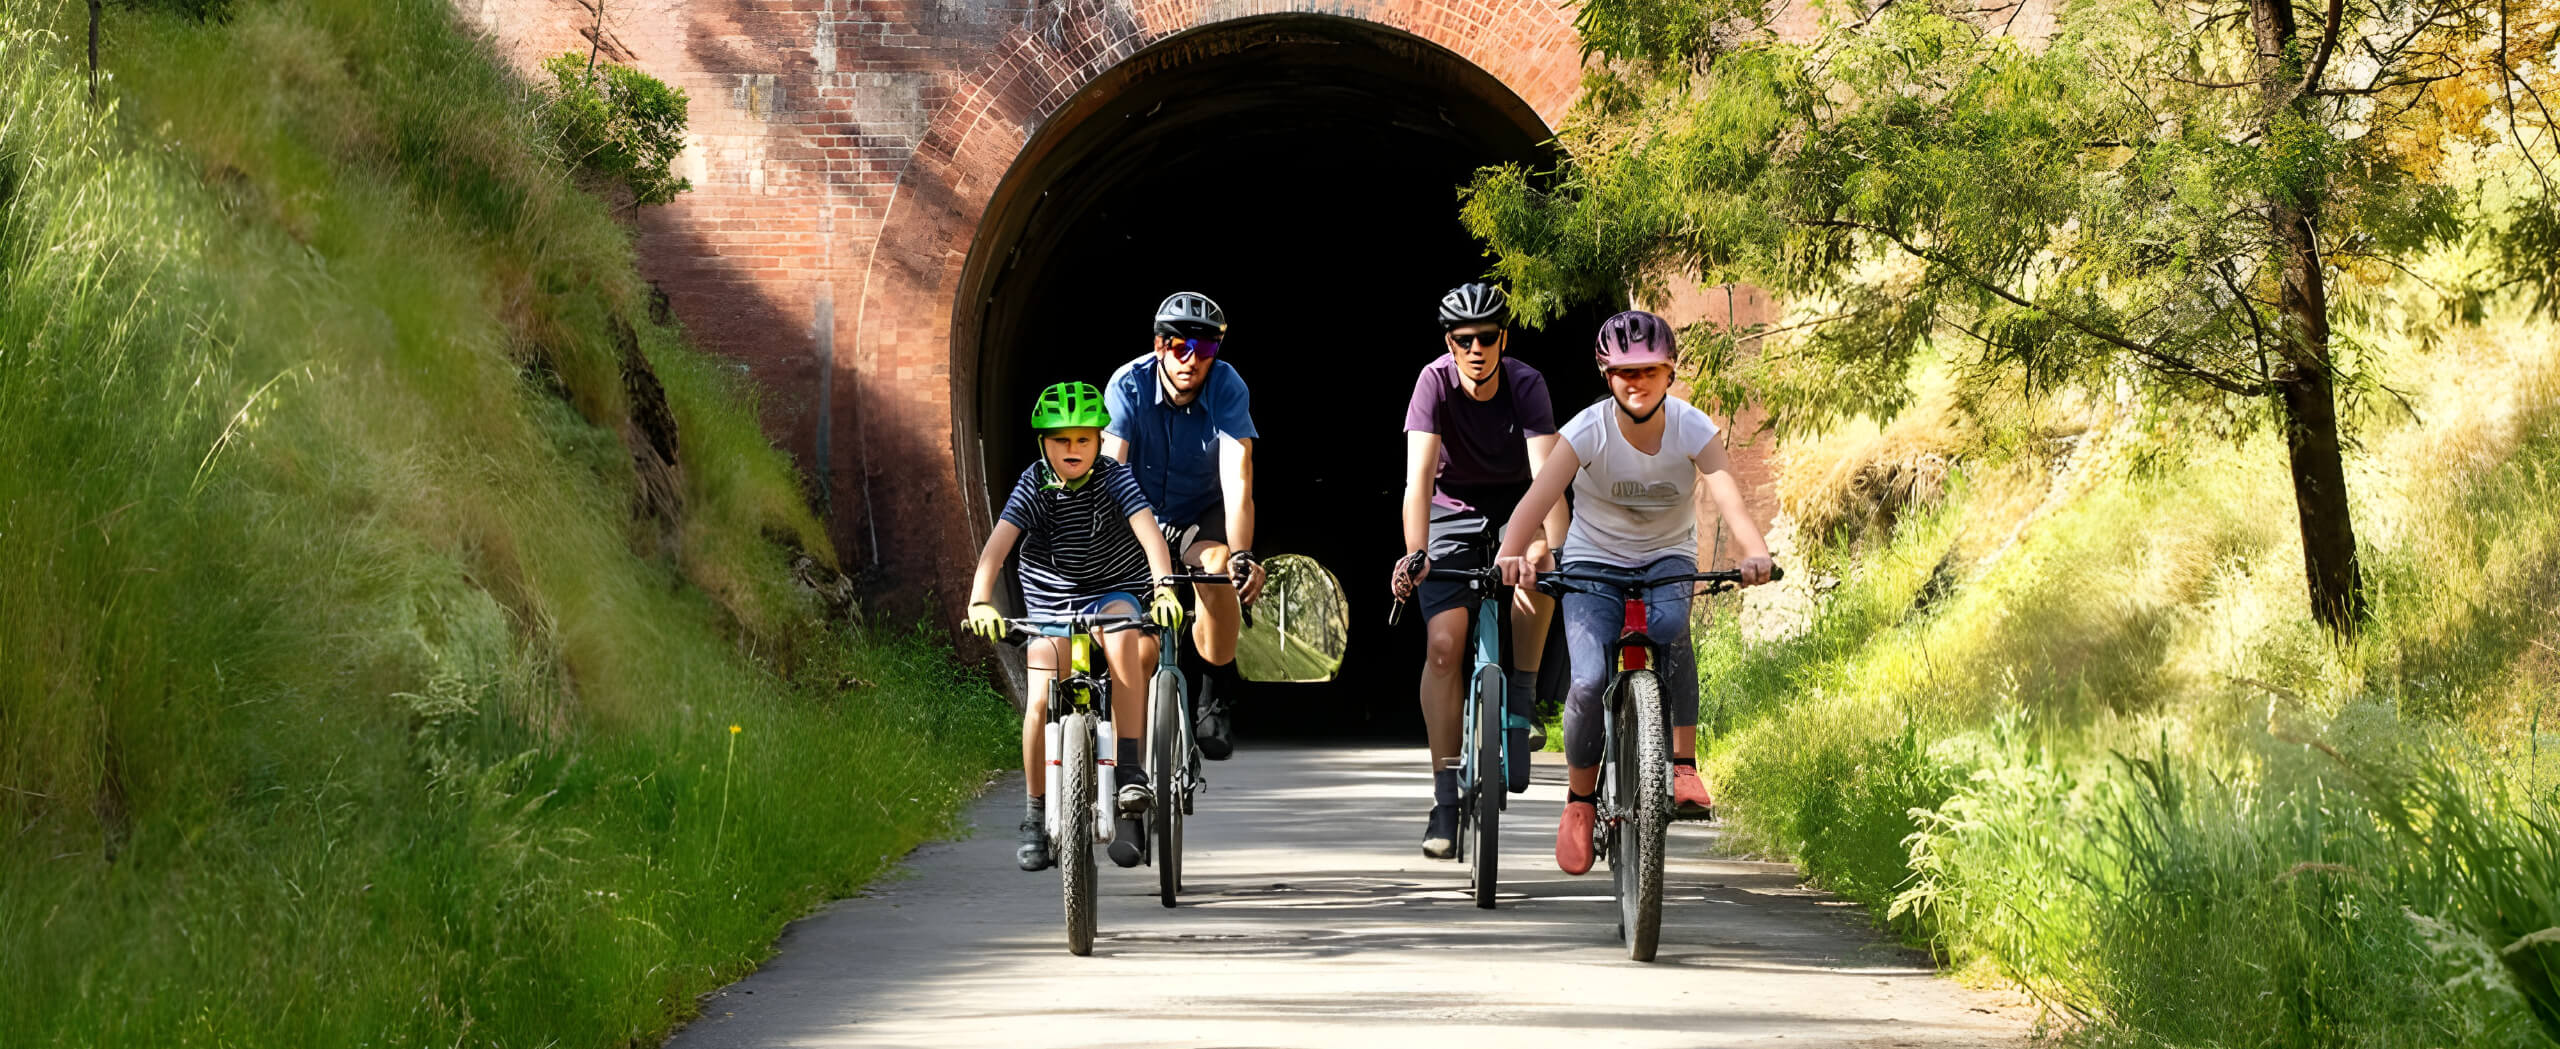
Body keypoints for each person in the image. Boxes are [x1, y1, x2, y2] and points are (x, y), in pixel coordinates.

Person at [1493, 310, 1776, 876]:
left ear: (1670, 372)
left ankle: (1682, 764)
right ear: (1606, 374)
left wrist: (1753, 552)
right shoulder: (1587, 431)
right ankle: (1578, 804)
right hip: (1594, 560)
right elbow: (1536, 497)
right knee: (1589, 677)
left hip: (1667, 555)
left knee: (1671, 629)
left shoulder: (1693, 429)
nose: (1636, 381)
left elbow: (1730, 499)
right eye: (1623, 371)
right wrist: (1510, 552)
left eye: (1649, 370)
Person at [965, 382, 1186, 872]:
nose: (1073, 450)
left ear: (1098, 442)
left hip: (1114, 590)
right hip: (1053, 602)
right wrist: (981, 600)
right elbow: (996, 551)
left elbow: (1150, 536)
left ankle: (1129, 770)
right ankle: (1034, 812)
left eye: (1084, 439)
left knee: (1124, 636)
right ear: (1043, 444)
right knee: (1041, 692)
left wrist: (1165, 588)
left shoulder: (1115, 478)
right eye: (1061, 440)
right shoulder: (1033, 485)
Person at [1390, 282, 1569, 859]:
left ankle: (1521, 697)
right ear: (1450, 342)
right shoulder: (1433, 383)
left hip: (1519, 508)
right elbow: (1418, 482)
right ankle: (1445, 797)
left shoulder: (1526, 384)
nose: (1474, 349)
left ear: (1502, 340)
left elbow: (1548, 478)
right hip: (1450, 516)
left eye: (1486, 338)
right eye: (1463, 339)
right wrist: (1416, 551)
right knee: (1444, 646)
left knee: (1539, 564)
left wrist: (1560, 553)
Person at [1102, 292, 1265, 760]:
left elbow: (1238, 476)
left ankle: (1212, 696)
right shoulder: (1127, 385)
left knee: (1219, 570)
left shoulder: (1228, 387)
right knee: (1141, 652)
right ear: (1159, 346)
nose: (1192, 360)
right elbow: (1113, 471)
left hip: (1199, 515)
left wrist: (1242, 554)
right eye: (1179, 348)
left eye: (1206, 349)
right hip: (1139, 517)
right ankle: (1127, 764)